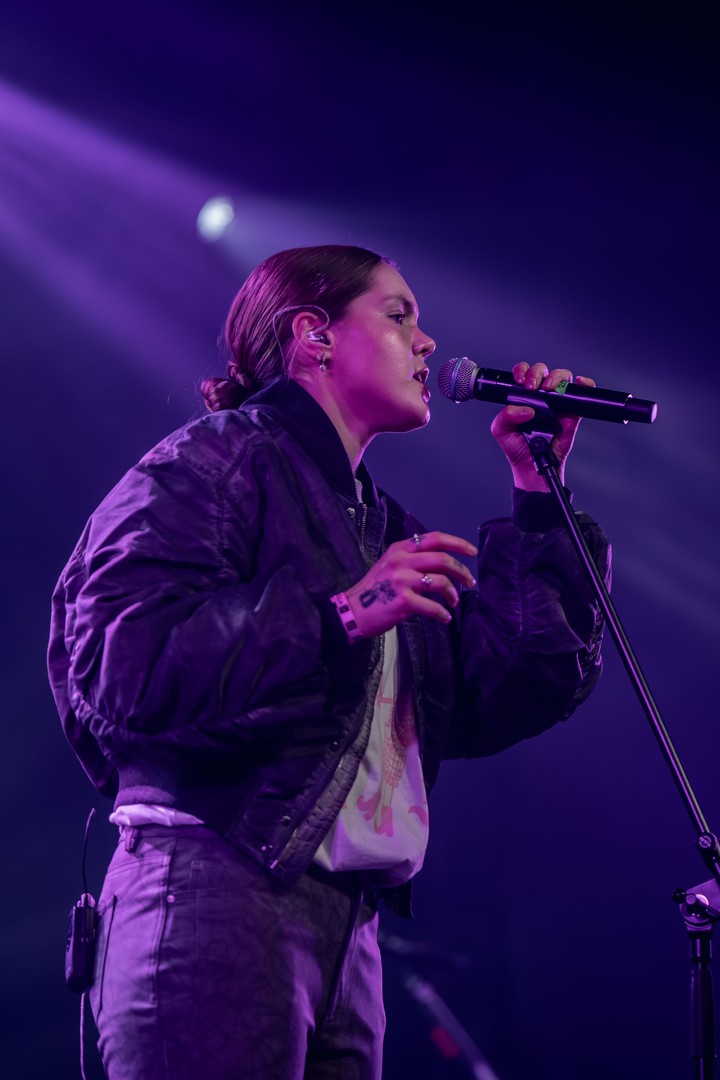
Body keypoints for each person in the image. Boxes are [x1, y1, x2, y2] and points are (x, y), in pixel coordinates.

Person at [48, 244, 610, 1080]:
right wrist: (340, 614)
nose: (427, 343)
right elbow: (120, 669)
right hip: (215, 890)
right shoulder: (211, 463)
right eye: (399, 315)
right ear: (314, 335)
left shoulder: (381, 525)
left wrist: (538, 492)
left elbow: (507, 690)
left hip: (350, 929)